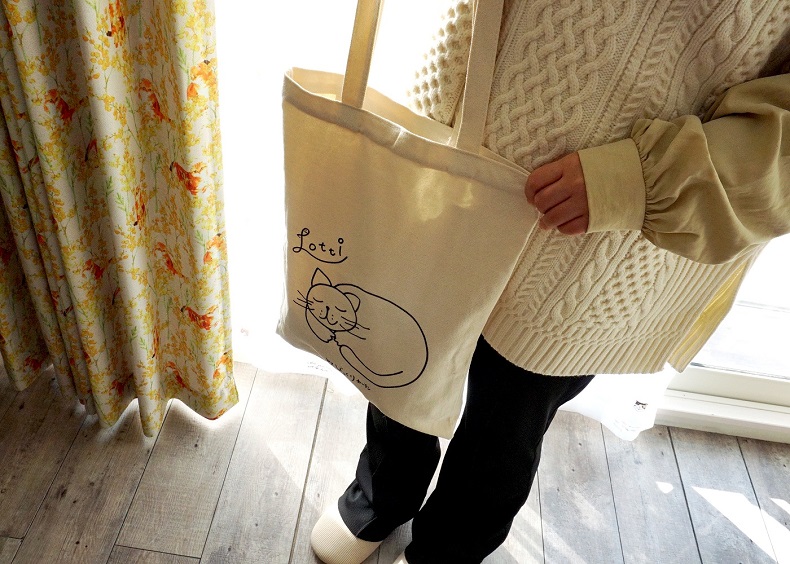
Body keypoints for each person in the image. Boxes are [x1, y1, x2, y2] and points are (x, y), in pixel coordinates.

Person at [310, 1, 790, 562]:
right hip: (460, 128)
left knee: (507, 421)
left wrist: (638, 179)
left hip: (603, 234)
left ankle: (447, 550)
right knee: (400, 342)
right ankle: (383, 492)